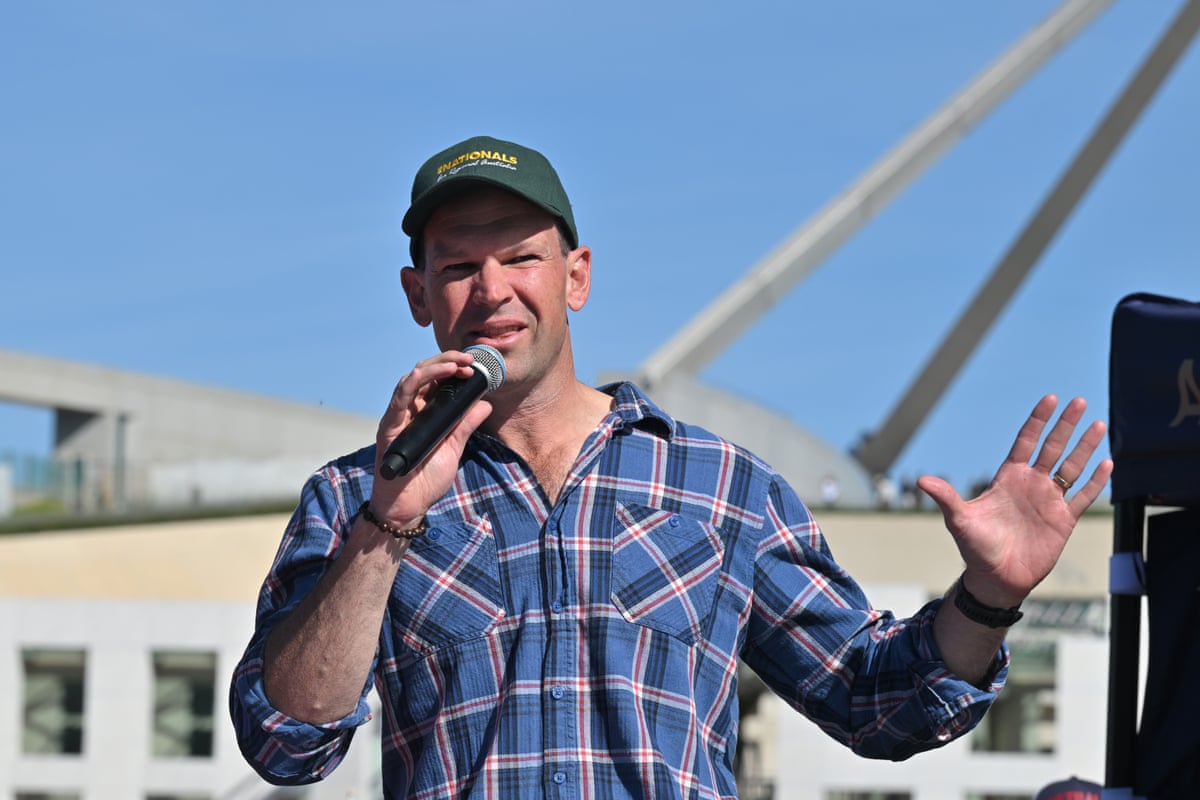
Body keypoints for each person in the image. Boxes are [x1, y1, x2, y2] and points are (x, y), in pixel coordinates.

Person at [229, 135, 1112, 797]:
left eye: (522, 257)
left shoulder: (721, 486)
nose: (493, 290)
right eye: (459, 265)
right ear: (418, 294)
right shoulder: (355, 497)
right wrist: (386, 526)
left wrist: (988, 594)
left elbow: (878, 702)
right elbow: (284, 740)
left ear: (576, 277)